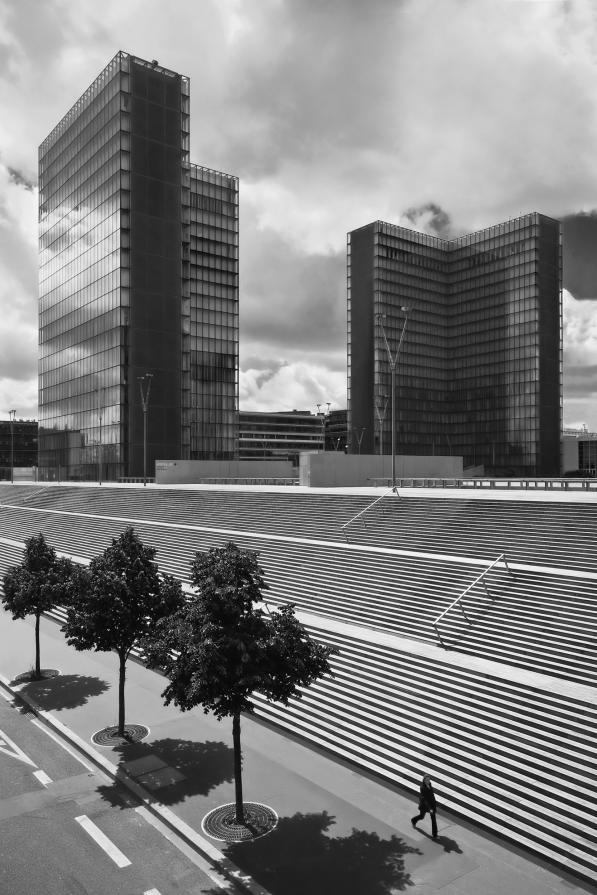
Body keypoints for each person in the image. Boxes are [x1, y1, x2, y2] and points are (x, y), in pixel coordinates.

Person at [411, 774, 438, 838]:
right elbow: (424, 799)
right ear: (424, 780)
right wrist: (430, 808)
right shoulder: (422, 787)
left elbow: (432, 794)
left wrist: (434, 802)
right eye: (426, 780)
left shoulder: (430, 785)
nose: (428, 781)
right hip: (424, 805)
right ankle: (413, 820)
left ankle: (435, 834)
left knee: (433, 819)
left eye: (429, 780)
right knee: (421, 816)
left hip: (431, 805)